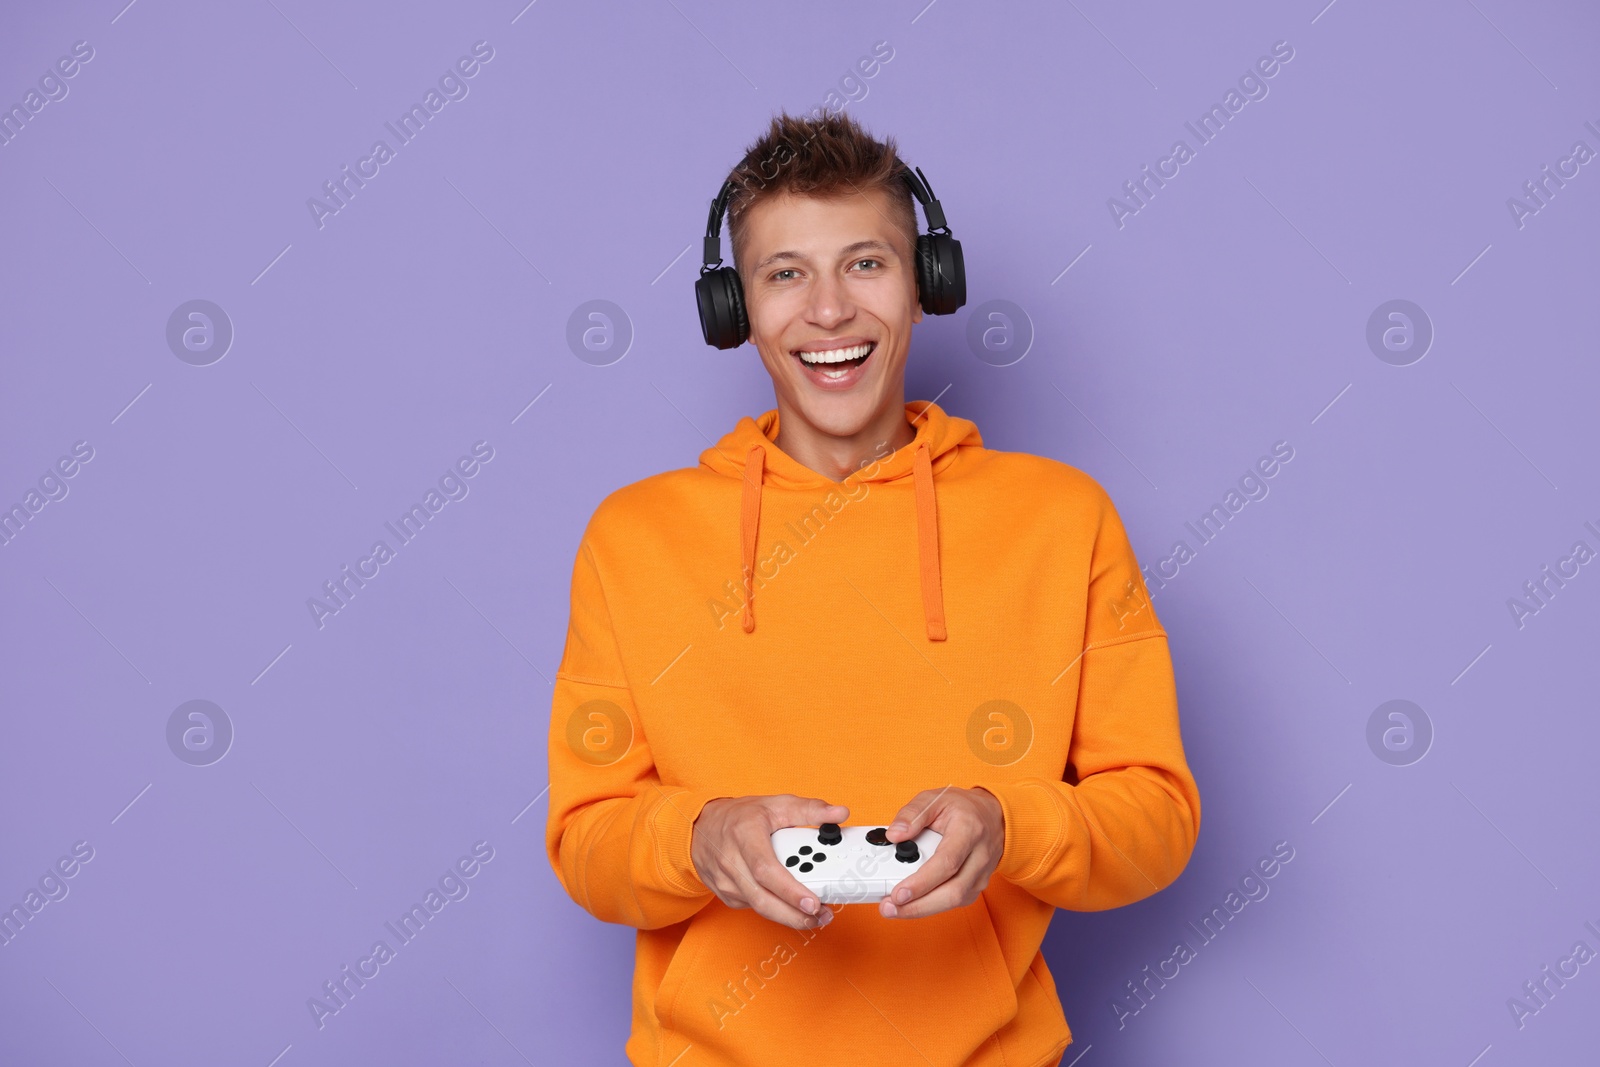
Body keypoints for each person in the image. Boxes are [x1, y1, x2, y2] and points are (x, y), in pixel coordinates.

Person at [546, 110, 1201, 1067]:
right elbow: (587, 840)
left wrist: (1010, 822)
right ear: (736, 310)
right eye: (785, 274)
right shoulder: (632, 537)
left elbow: (1156, 817)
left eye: (865, 263)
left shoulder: (1063, 518)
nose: (828, 312)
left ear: (927, 283)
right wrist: (698, 838)